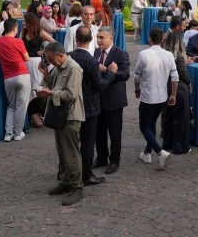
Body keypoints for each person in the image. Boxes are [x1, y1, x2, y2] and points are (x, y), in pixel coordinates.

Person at [36, 42, 85, 206]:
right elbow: (56, 86)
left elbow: (70, 94)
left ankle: (77, 187)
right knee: (62, 152)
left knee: (71, 153)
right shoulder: (59, 67)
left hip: (71, 116)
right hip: (59, 115)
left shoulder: (73, 68)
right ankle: (65, 182)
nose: (50, 62)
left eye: (51, 59)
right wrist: (46, 75)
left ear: (60, 54)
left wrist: (50, 93)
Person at [68, 26, 117, 186]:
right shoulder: (91, 61)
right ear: (91, 40)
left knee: (72, 143)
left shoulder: (69, 57)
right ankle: (86, 174)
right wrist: (111, 73)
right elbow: (100, 85)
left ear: (76, 39)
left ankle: (71, 172)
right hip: (90, 108)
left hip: (72, 106)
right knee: (88, 143)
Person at [134, 27, 178, 170]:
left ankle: (160, 152)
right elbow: (175, 77)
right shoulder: (169, 55)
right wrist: (173, 94)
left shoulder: (144, 54)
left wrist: (137, 88)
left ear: (149, 39)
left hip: (148, 97)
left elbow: (137, 75)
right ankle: (147, 152)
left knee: (144, 126)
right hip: (162, 97)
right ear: (162, 40)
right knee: (151, 123)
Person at [93, 26, 130, 174]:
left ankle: (115, 160)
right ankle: (102, 157)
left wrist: (107, 70)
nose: (99, 40)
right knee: (99, 132)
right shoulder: (96, 52)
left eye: (102, 38)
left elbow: (125, 75)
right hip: (98, 98)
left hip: (114, 100)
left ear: (111, 38)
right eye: (97, 37)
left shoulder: (121, 54)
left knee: (114, 133)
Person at [0, 18, 31, 142]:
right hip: (22, 75)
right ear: (14, 28)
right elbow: (27, 57)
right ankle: (18, 133)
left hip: (8, 77)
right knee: (21, 106)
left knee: (11, 106)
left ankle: (8, 133)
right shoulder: (18, 42)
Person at [160, 32, 192, 155]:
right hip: (178, 89)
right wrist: (189, 82)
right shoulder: (178, 57)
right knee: (180, 119)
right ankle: (180, 146)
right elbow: (184, 74)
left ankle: (167, 143)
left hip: (165, 88)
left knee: (167, 117)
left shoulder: (163, 55)